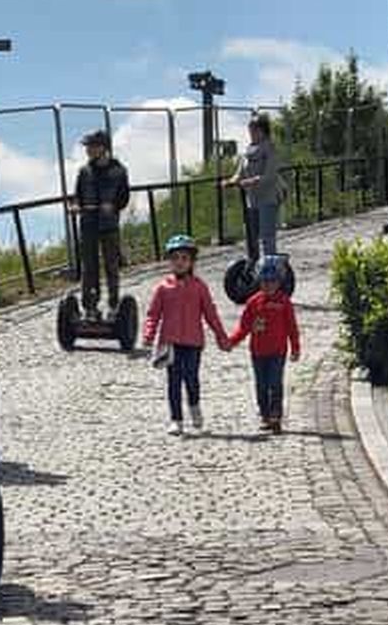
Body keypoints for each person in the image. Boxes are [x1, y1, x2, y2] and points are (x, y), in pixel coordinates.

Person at [143, 234, 231, 437]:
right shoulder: (163, 288)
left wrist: (221, 335)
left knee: (191, 377)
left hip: (193, 341)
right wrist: (149, 334)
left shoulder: (199, 287)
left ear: (192, 262)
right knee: (174, 381)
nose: (179, 262)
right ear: (169, 261)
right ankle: (176, 419)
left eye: (184, 258)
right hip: (170, 342)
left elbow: (210, 313)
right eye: (175, 258)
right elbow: (153, 314)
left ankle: (194, 405)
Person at [228, 256, 300, 433]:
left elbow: (292, 327)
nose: (269, 285)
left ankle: (276, 415)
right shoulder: (253, 302)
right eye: (265, 281)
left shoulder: (284, 302)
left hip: (278, 352)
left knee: (275, 383)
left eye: (273, 281)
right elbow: (244, 327)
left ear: (279, 282)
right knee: (261, 385)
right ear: (259, 281)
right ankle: (265, 415)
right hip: (258, 352)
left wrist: (295, 347)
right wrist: (231, 341)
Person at [72, 130, 130, 320]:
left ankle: (113, 305)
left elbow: (124, 198)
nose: (88, 150)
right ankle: (90, 307)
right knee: (89, 267)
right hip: (88, 224)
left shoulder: (118, 171)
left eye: (91, 146)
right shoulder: (84, 172)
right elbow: (77, 196)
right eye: (87, 147)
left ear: (103, 148)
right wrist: (76, 206)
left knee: (111, 266)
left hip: (108, 225)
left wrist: (112, 206)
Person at [223, 114, 283, 264]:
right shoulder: (248, 150)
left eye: (255, 130)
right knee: (251, 234)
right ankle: (253, 263)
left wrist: (251, 181)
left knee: (267, 235)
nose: (252, 133)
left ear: (263, 131)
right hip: (252, 199)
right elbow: (240, 172)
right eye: (250, 130)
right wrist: (230, 181)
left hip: (267, 198)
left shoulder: (270, 148)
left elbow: (270, 175)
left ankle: (270, 265)